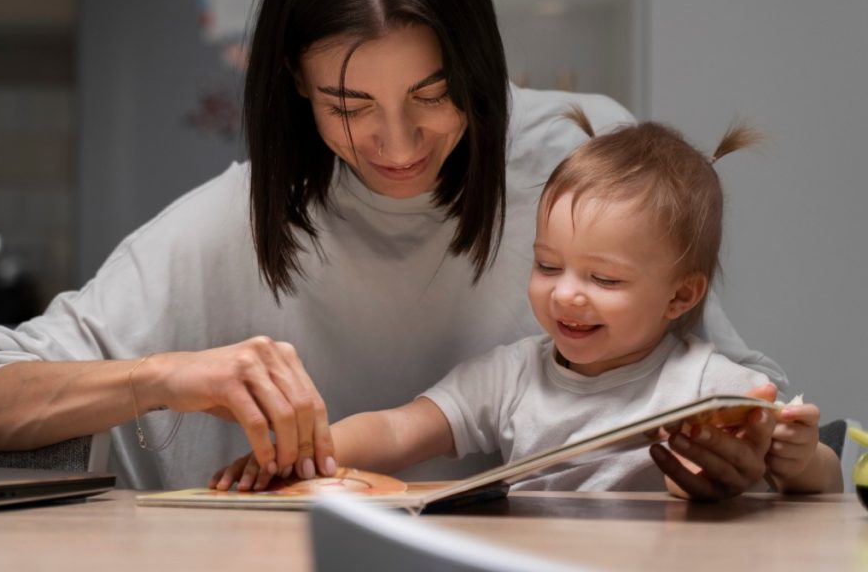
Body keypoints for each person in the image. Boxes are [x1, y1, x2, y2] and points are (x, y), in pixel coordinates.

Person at [0, 0, 786, 492]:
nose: (398, 144)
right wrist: (165, 377)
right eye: (350, 106)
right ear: (296, 88)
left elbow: (742, 389)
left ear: (482, 65)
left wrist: (748, 458)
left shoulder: (578, 157)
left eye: (432, 95)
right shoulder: (231, 225)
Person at [213, 110, 842, 497]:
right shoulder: (513, 377)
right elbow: (399, 428)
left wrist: (799, 458)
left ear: (680, 295)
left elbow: (824, 480)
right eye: (547, 265)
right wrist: (300, 456)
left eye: (605, 279)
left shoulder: (707, 385)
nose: (566, 292)